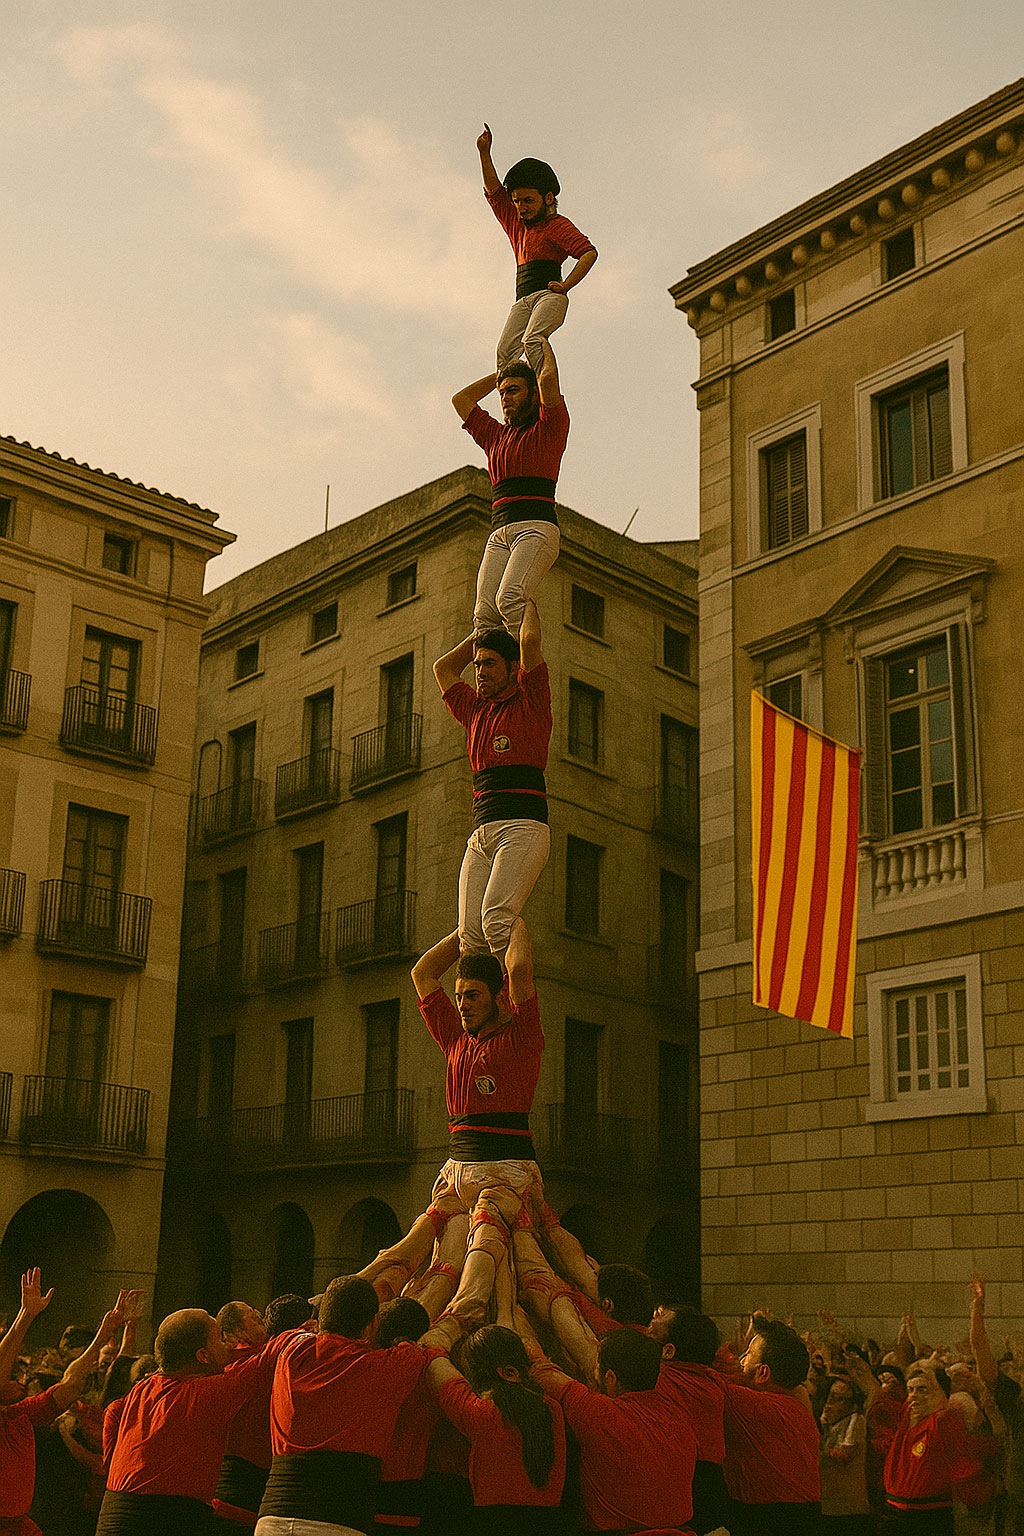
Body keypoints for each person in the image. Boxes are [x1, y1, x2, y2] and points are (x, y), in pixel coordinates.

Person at [362, 922, 543, 1307]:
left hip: (506, 1173)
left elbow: (520, 970)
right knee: (417, 1263)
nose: (463, 1004)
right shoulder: (455, 1039)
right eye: (459, 996)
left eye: (473, 995)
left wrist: (509, 918)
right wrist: (464, 934)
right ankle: (353, 1298)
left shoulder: (522, 1037)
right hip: (455, 1170)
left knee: (483, 1280)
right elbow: (422, 973)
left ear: (500, 997)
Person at [256, 1276, 427, 1535]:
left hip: (271, 1520)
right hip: (337, 1522)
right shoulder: (387, 1366)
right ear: (373, 1326)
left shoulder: (290, 1353)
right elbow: (418, 1349)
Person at [98, 1307, 293, 1534]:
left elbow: (112, 1414)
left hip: (111, 1517)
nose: (229, 1345)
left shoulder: (140, 1390)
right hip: (162, 1521)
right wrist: (302, 1330)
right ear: (203, 1356)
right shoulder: (202, 1394)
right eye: (221, 1339)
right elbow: (265, 1363)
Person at [434, 603, 551, 959]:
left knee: (496, 920)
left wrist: (522, 600)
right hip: (482, 832)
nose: (479, 671)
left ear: (512, 669)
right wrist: (480, 632)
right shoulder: (474, 709)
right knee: (470, 937)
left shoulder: (530, 700)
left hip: (523, 828)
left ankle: (519, 1005)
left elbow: (529, 641)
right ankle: (490, 1007)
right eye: (477, 664)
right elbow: (443, 668)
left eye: (488, 664)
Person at [527, 1320, 699, 1534]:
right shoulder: (680, 1417)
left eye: (597, 1367)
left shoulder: (598, 1412)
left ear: (610, 1377)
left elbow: (542, 1372)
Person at [453, 346, 566, 638]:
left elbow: (550, 379)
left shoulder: (549, 427)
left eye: (514, 390)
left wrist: (540, 344)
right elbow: (461, 399)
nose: (505, 398)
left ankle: (525, 671)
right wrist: (501, 374)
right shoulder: (495, 436)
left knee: (509, 598)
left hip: (536, 527)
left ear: (533, 394)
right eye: (502, 393)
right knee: (483, 614)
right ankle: (493, 678)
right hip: (500, 531)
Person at [2, 1270, 125, 1536]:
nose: (19, 1380)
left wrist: (104, 1334)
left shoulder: (22, 1415)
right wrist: (26, 1315)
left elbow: (70, 1385)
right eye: (12, 1377)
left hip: (19, 1524)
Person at [422, 1317, 566, 1534]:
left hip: (492, 1524)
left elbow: (435, 1360)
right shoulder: (554, 1409)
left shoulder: (478, 1412)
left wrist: (448, 1329)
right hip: (551, 1523)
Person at [475, 124, 597, 375]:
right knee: (504, 354)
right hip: (523, 300)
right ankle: (518, 399)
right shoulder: (518, 225)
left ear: (548, 198)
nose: (522, 207)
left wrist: (566, 285)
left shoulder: (556, 225)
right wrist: (484, 153)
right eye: (518, 201)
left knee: (533, 340)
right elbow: (496, 193)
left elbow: (588, 253)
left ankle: (545, 394)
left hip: (547, 295)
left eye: (528, 200)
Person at [719, 1315, 821, 1535]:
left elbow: (703, 1381)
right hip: (799, 1515)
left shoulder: (756, 1405)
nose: (741, 1360)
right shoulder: (797, 1405)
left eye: (747, 1355)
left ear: (763, 1373)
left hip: (770, 1519)